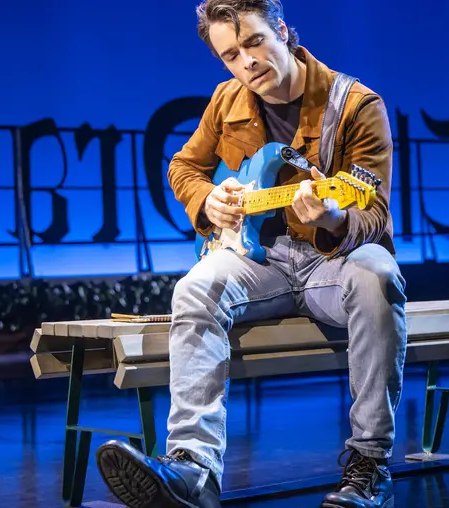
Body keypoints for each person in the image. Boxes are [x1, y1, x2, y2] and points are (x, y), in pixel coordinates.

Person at [95, 1, 407, 506]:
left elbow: (374, 215)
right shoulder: (226, 100)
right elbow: (183, 167)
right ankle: (193, 471)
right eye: (231, 54)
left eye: (255, 42)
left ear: (282, 31)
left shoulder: (355, 104)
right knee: (194, 288)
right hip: (260, 259)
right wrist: (207, 199)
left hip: (332, 263)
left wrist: (330, 217)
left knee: (378, 273)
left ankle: (367, 465)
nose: (247, 62)